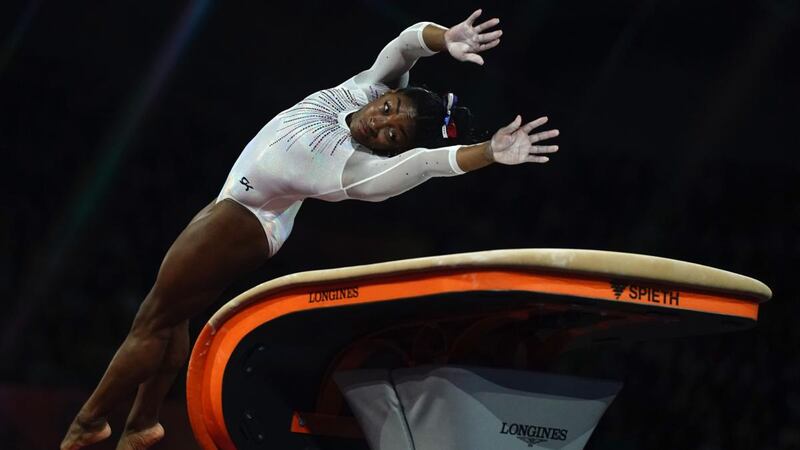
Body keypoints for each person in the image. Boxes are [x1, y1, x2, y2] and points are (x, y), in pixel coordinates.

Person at [61, 9, 559, 450]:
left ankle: (89, 424)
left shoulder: (357, 172)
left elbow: (431, 163)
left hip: (248, 218)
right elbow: (406, 43)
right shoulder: (364, 89)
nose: (378, 123)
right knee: (169, 318)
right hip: (239, 201)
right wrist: (444, 37)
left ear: (392, 150)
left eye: (392, 135)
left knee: (151, 319)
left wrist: (490, 153)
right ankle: (141, 424)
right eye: (388, 110)